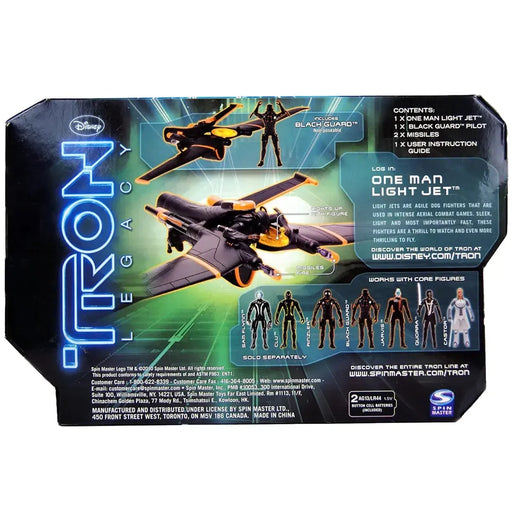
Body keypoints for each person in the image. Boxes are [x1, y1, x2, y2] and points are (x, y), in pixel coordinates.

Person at [251, 99, 289, 167]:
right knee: (269, 148)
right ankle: (268, 161)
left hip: (269, 133)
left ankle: (277, 161)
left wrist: (258, 105)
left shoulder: (267, 116)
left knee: (273, 148)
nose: (269, 111)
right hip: (269, 133)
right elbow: (283, 112)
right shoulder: (271, 116)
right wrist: (280, 105)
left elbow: (256, 113)